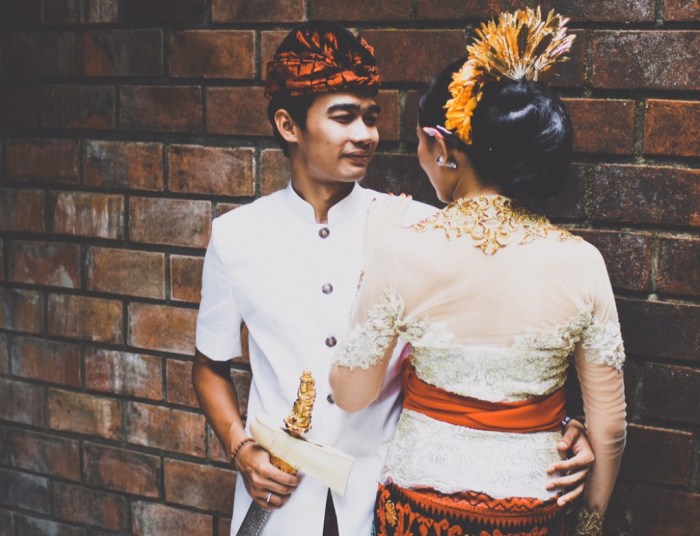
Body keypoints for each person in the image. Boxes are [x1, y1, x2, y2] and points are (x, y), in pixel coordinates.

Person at [193, 19, 596, 536]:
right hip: (279, 500)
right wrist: (240, 447)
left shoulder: (419, 226)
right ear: (289, 126)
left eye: (371, 117)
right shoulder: (235, 237)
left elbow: (485, 351)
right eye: (343, 117)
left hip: (391, 500)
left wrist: (559, 428)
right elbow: (209, 365)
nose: (365, 134)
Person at [330, 8, 626, 536]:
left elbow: (352, 394)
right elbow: (610, 429)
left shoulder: (400, 250)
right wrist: (589, 524)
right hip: (535, 508)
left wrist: (369, 262)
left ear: (444, 149)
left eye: (420, 142)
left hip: (423, 510)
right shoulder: (582, 261)